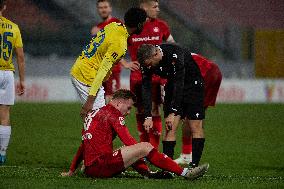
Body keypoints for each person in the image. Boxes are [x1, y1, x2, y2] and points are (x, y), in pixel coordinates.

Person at [61, 89, 209, 179]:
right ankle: (185, 173)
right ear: (120, 102)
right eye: (129, 107)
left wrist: (71, 170)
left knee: (126, 150)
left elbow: (83, 146)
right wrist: (152, 155)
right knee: (144, 146)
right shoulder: (113, 114)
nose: (129, 112)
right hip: (101, 166)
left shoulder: (94, 114)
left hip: (91, 167)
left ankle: (148, 175)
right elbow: (129, 142)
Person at [70, 7, 147, 120]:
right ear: (139, 25)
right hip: (87, 75)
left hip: (81, 67)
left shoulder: (114, 26)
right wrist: (89, 102)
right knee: (100, 120)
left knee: (98, 121)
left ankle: (90, 135)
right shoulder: (120, 43)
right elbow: (102, 71)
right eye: (144, 23)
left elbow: (103, 48)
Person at [137, 43, 207, 167]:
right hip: (172, 86)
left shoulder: (175, 53)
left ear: (156, 54)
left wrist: (172, 112)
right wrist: (147, 115)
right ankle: (167, 167)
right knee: (170, 128)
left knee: (195, 126)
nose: (148, 67)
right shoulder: (147, 64)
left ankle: (194, 165)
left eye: (149, 64)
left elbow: (179, 83)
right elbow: (146, 88)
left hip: (192, 85)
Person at [126, 0, 175, 149]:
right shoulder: (133, 27)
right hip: (136, 77)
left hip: (155, 76)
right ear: (143, 8)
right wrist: (125, 63)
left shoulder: (161, 25)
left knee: (154, 108)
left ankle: (152, 148)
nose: (158, 9)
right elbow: (115, 46)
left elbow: (173, 45)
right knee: (140, 109)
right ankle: (144, 144)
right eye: (154, 6)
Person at [174, 53, 222, 165]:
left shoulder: (169, 59)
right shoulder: (178, 53)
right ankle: (190, 156)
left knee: (188, 115)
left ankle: (186, 155)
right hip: (215, 72)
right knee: (196, 115)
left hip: (203, 75)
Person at [0, 0, 25, 164]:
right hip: (8, 74)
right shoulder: (14, 27)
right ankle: (2, 153)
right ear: (4, 7)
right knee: (4, 114)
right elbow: (21, 57)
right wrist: (22, 80)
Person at [90, 0, 124, 102]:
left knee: (112, 100)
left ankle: (118, 118)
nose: (103, 10)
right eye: (100, 8)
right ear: (97, 10)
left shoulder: (117, 23)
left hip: (112, 68)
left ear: (110, 8)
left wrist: (100, 33)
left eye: (105, 7)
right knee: (102, 101)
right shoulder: (98, 26)